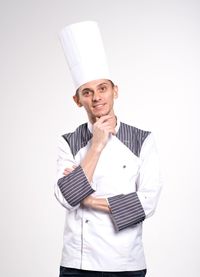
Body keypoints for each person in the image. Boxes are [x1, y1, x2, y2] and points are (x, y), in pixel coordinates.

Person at [55, 21, 162, 277]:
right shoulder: (68, 141)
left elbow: (147, 202)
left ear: (115, 91)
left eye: (103, 88)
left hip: (126, 263)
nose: (97, 98)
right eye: (87, 92)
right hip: (77, 263)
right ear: (77, 100)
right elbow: (65, 198)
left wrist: (86, 198)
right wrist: (97, 145)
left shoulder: (141, 140)